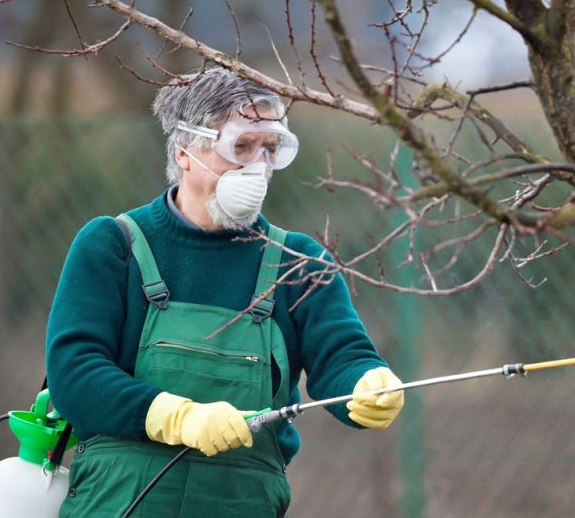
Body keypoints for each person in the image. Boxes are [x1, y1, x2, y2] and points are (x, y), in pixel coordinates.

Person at [45, 67, 404, 517]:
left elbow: (342, 356)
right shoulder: (114, 245)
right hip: (119, 502)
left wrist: (367, 383)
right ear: (184, 152)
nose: (258, 166)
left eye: (270, 148)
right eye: (242, 146)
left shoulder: (297, 261)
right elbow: (74, 374)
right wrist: (175, 416)